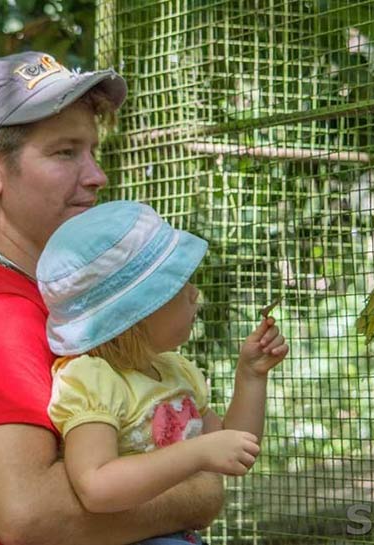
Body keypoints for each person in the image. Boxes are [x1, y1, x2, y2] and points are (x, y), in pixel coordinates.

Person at [0, 51, 224, 545]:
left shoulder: (39, 296)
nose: (96, 175)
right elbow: (28, 515)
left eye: (91, 151)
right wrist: (199, 483)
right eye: (65, 152)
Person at [36, 201, 289, 545]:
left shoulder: (176, 372)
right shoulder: (93, 381)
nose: (194, 293)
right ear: (137, 314)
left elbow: (235, 447)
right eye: (179, 285)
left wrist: (251, 376)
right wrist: (197, 454)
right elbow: (95, 485)